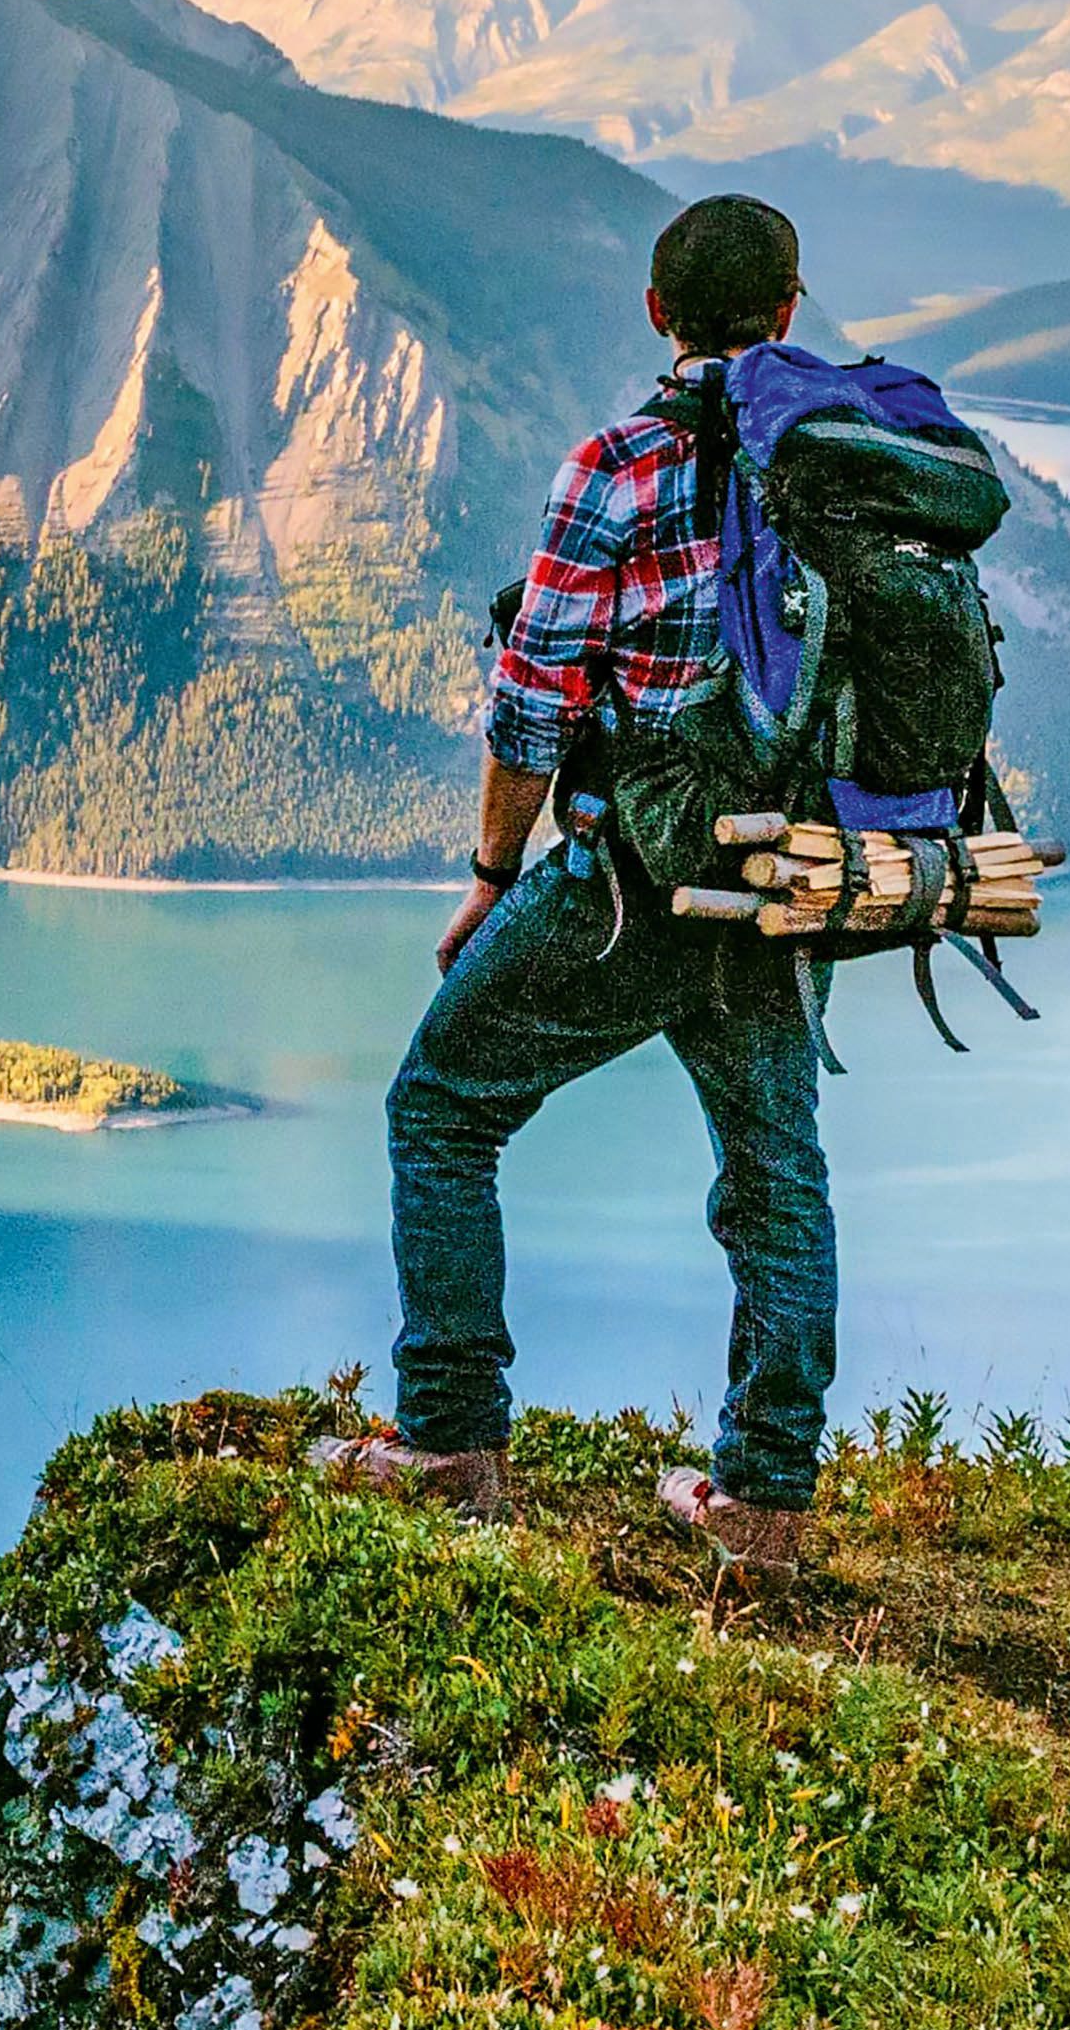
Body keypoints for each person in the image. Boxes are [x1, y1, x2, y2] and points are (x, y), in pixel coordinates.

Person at [318, 192, 833, 1568]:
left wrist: (494, 870)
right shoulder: (844, 468)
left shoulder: (615, 465)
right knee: (774, 1175)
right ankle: (765, 1507)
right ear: (789, 310)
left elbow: (529, 703)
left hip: (633, 878)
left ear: (655, 314)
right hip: (788, 877)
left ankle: (447, 1444)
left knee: (438, 1106)